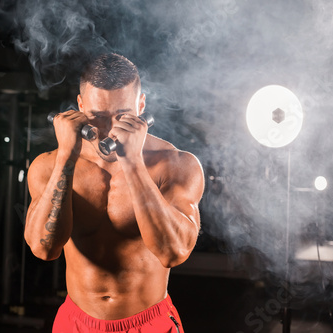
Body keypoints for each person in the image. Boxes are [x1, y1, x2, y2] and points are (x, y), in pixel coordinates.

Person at [25, 53, 204, 332]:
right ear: (81, 106)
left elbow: (173, 252)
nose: (109, 131)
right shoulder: (48, 165)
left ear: (141, 105)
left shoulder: (176, 164)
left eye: (122, 117)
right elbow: (43, 249)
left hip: (149, 322)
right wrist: (66, 159)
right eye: (97, 117)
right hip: (77, 322)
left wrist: (132, 162)